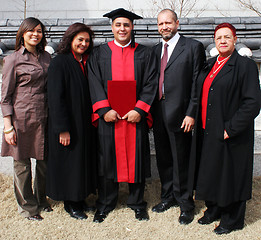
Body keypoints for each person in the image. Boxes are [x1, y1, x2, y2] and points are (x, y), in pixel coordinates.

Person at [188, 23, 261, 234]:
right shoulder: (210, 64)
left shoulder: (244, 66)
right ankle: (214, 209)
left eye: (227, 37)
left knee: (231, 175)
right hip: (208, 129)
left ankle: (232, 219)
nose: (223, 40)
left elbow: (252, 103)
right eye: (219, 37)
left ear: (235, 39)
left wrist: (231, 128)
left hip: (230, 132)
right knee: (212, 172)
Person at [88, 8, 158, 223]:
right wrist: (103, 110)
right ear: (112, 27)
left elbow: (151, 83)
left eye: (126, 25)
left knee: (136, 160)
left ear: (132, 27)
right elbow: (94, 82)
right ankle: (106, 203)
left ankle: (137, 203)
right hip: (109, 119)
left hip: (134, 119)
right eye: (118, 25)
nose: (122, 28)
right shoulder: (99, 53)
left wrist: (139, 110)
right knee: (107, 159)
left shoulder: (144, 54)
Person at [151, 9, 206, 224]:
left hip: (181, 114)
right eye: (160, 24)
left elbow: (197, 83)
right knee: (164, 157)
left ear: (177, 23)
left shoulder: (193, 47)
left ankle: (185, 203)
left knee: (181, 159)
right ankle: (168, 197)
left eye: (168, 22)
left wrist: (191, 113)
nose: (164, 27)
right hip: (158, 111)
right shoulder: (155, 51)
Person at [1, 17, 52, 220]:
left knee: (44, 162)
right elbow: (5, 97)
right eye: (31, 31)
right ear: (22, 34)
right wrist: (8, 127)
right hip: (20, 119)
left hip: (44, 117)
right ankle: (28, 208)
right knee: (21, 165)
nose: (35, 34)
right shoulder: (12, 59)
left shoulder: (47, 58)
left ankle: (42, 199)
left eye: (39, 31)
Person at [46, 23, 97, 220]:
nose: (83, 43)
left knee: (80, 163)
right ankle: (71, 203)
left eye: (86, 40)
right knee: (69, 164)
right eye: (80, 40)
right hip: (67, 124)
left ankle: (81, 198)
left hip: (83, 123)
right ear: (70, 40)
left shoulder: (85, 61)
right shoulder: (60, 62)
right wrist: (62, 129)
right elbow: (55, 98)